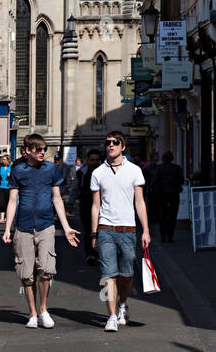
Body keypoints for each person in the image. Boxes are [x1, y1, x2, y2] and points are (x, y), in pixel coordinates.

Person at [2, 132, 79, 327]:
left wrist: (67, 226)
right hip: (23, 227)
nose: (43, 152)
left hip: (46, 225)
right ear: (27, 151)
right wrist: (7, 229)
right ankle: (32, 313)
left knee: (46, 269)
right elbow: (12, 201)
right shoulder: (18, 171)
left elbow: (57, 198)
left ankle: (43, 309)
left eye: (44, 149)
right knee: (26, 273)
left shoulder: (51, 169)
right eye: (38, 149)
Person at [90, 131, 150, 332]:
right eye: (108, 143)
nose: (111, 145)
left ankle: (123, 303)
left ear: (123, 146)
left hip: (128, 229)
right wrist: (94, 233)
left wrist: (146, 230)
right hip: (106, 228)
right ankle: (112, 316)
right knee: (109, 274)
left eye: (115, 142)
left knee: (126, 274)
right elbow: (95, 206)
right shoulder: (98, 172)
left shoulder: (134, 171)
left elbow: (139, 202)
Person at [151, 150, 184, 242]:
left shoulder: (159, 168)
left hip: (162, 194)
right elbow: (181, 180)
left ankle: (162, 235)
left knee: (163, 215)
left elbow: (155, 180)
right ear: (172, 158)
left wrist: (151, 189)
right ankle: (170, 236)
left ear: (163, 158)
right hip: (174, 194)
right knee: (173, 215)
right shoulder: (177, 168)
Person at [77, 149, 103, 263]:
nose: (95, 162)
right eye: (92, 160)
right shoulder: (81, 173)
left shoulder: (104, 172)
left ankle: (98, 253)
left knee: (101, 231)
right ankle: (90, 254)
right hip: (86, 206)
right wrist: (70, 202)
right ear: (87, 160)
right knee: (88, 231)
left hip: (102, 207)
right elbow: (75, 188)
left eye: (97, 160)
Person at [0, 153, 12, 224]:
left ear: (8, 160)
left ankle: (7, 218)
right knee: (1, 202)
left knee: (8, 203)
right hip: (1, 186)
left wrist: (11, 175)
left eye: (4, 159)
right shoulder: (0, 166)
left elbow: (15, 176)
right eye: (2, 159)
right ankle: (2, 218)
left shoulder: (12, 166)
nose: (3, 161)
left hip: (9, 187)